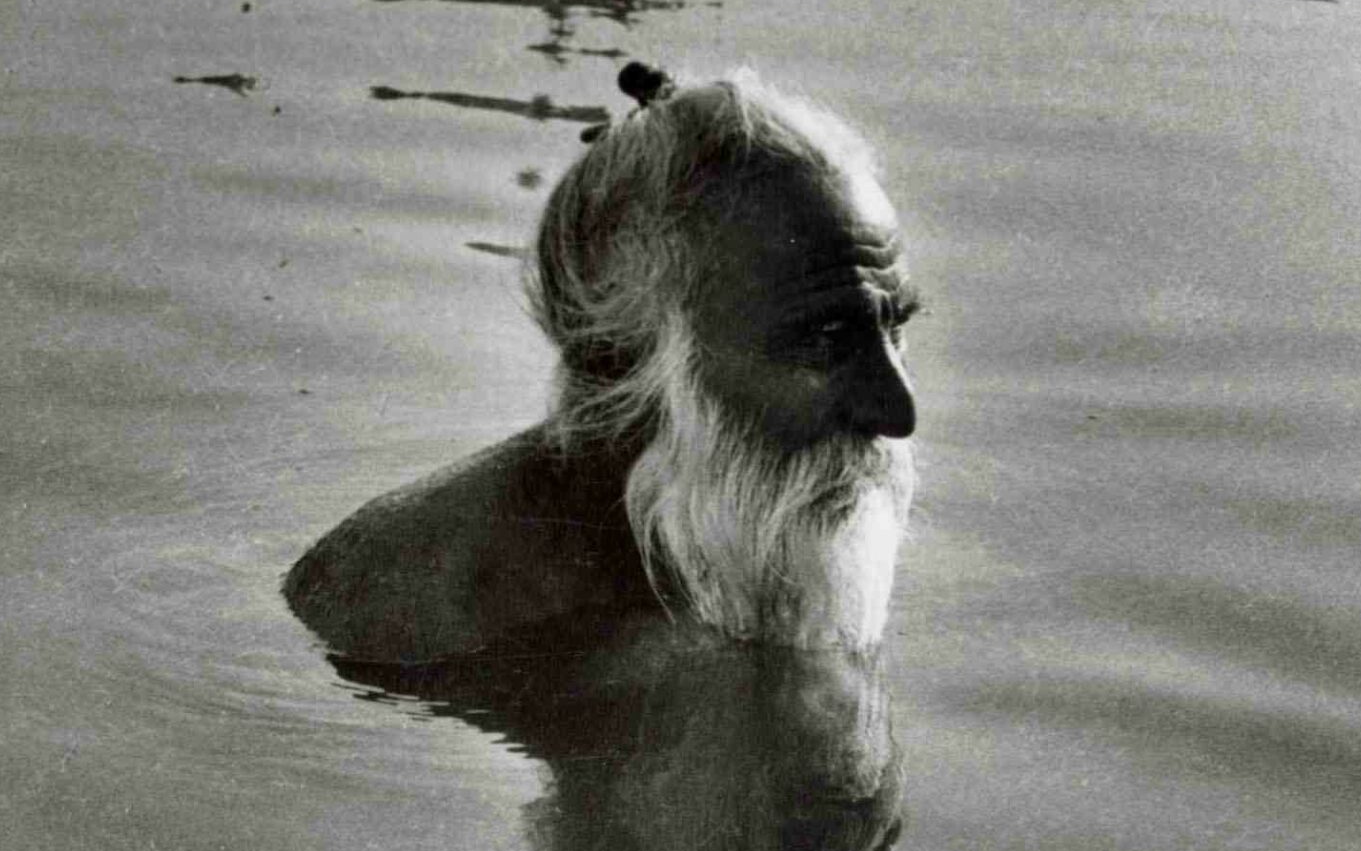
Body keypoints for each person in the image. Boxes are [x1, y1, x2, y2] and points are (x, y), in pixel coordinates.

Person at [285, 64, 920, 666]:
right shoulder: (441, 606)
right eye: (823, 343)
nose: (898, 412)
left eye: (896, 328)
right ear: (623, 360)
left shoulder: (705, 535)